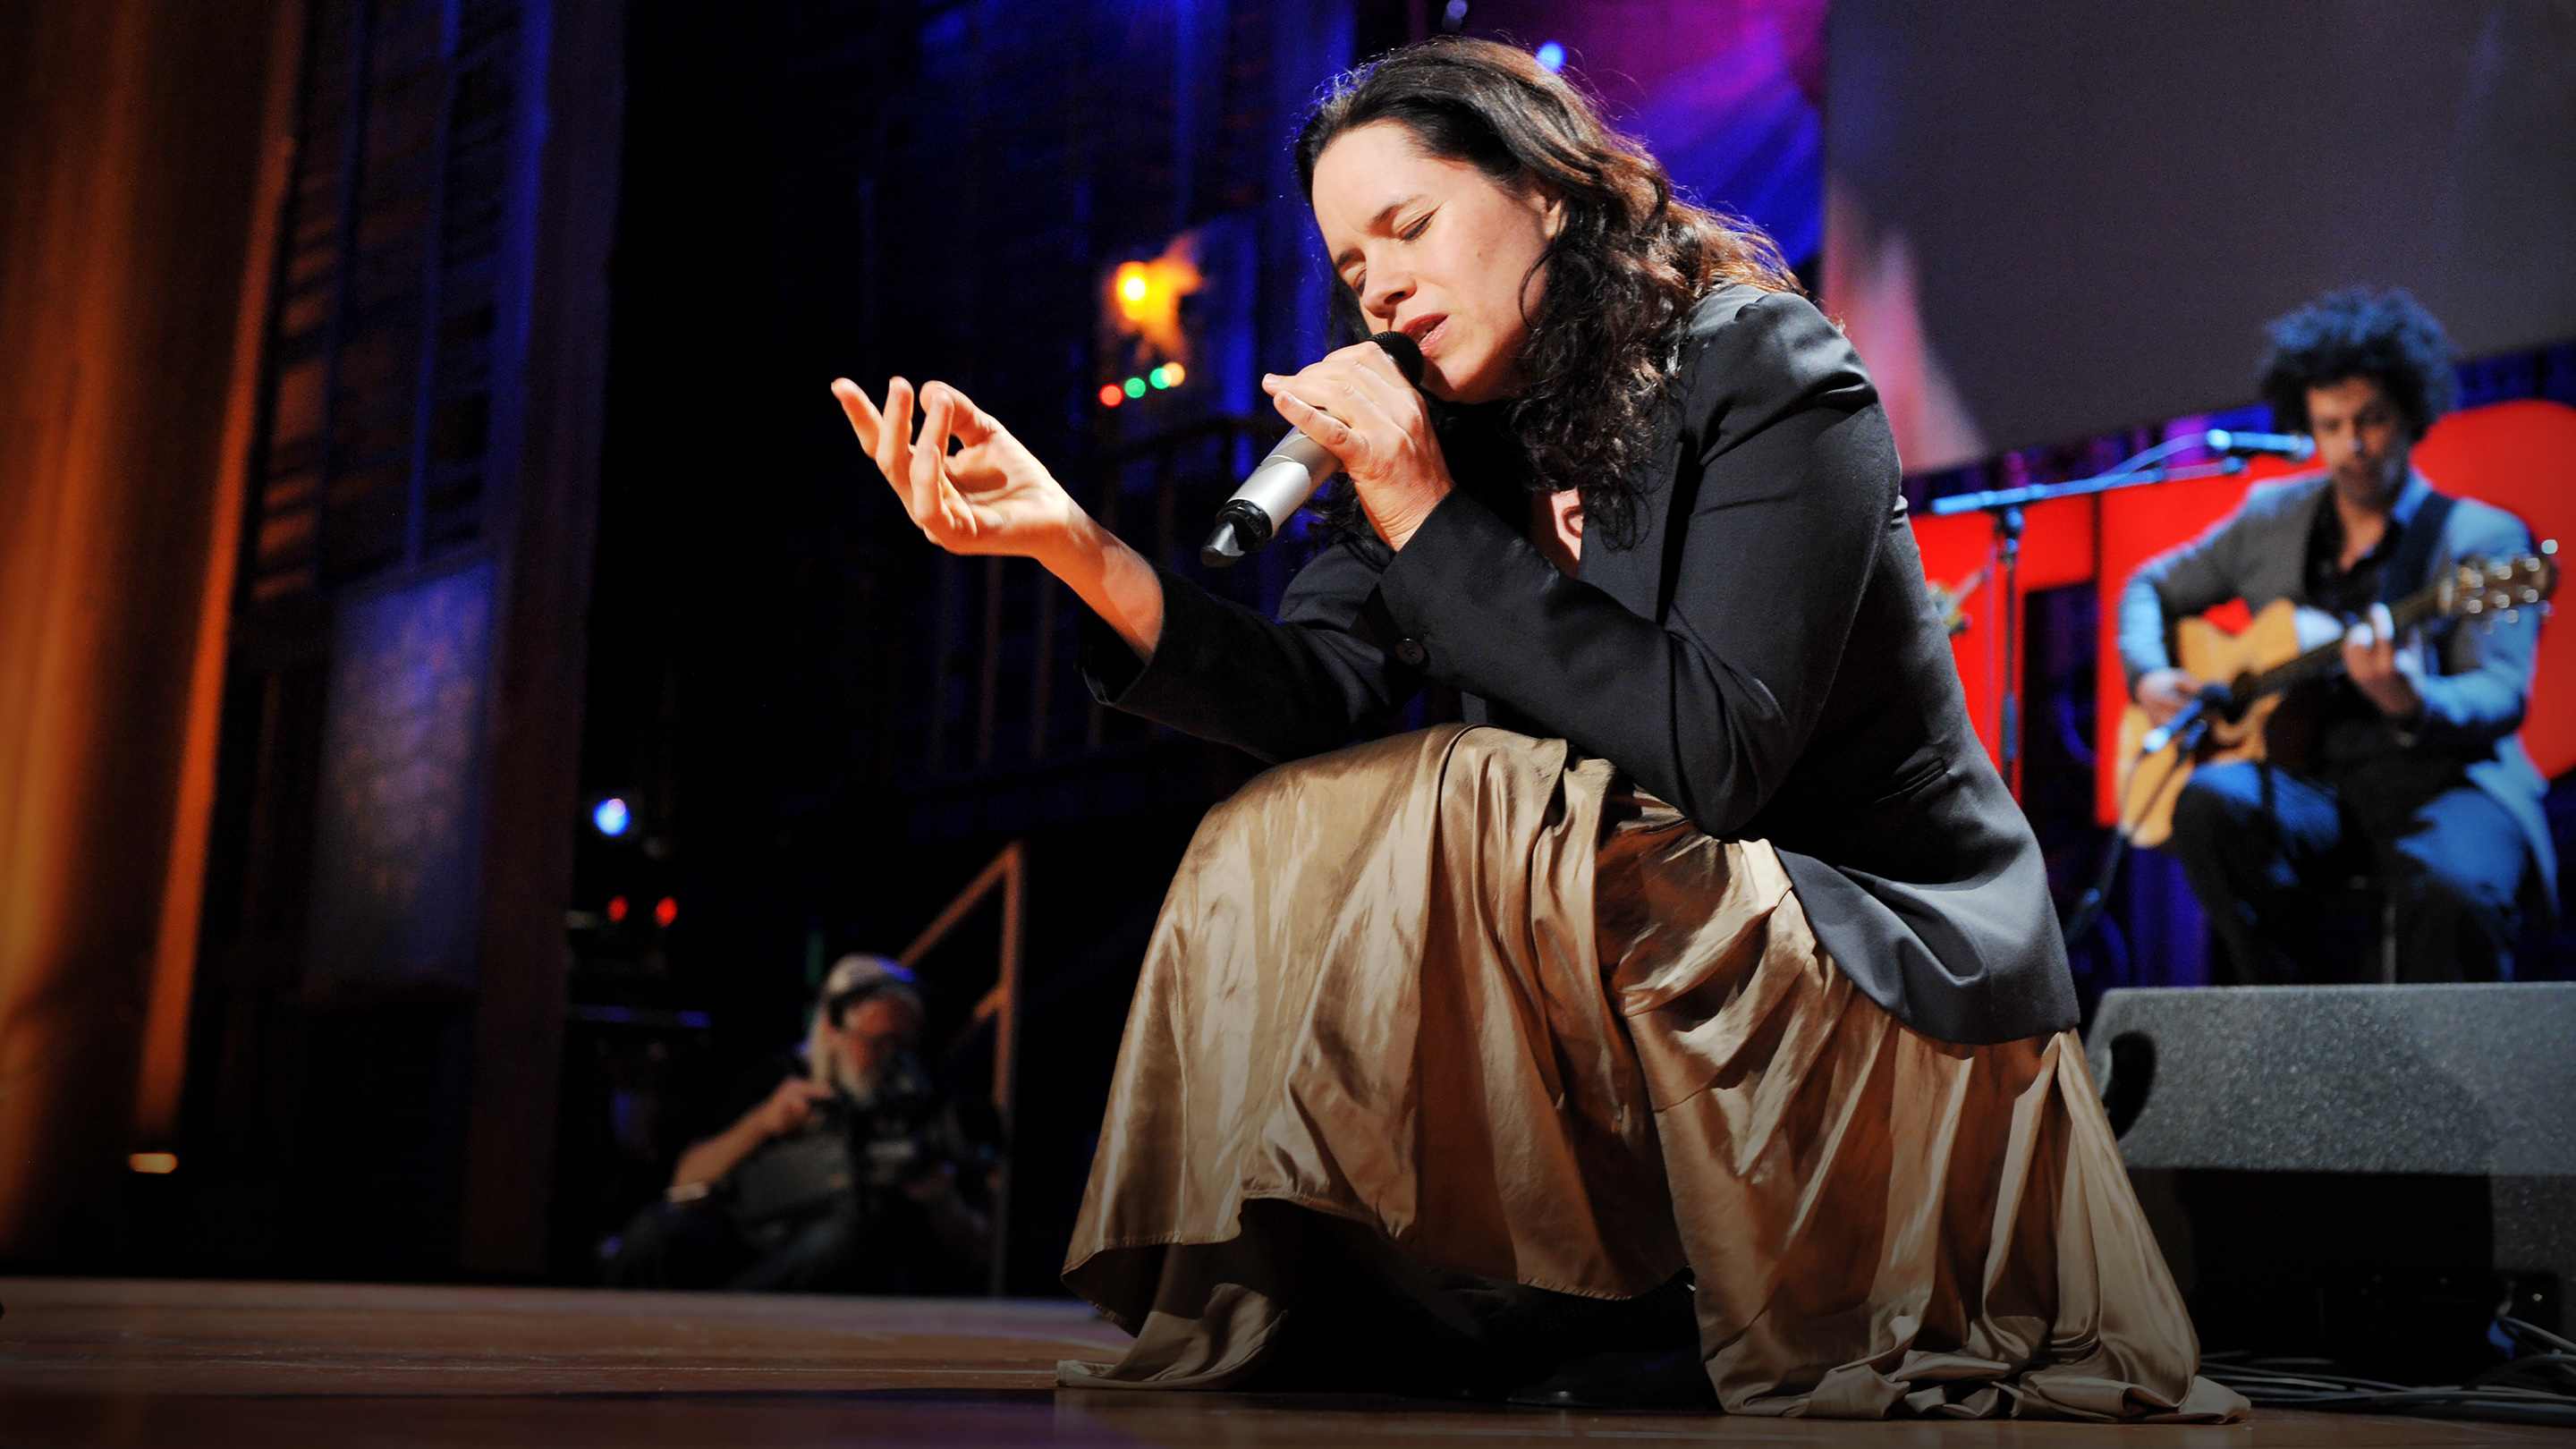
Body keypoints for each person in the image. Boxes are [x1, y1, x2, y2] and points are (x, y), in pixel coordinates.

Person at [834, 38, 2238, 1422]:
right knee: (1278, 821)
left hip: (1871, 949)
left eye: (1408, 227)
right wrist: (1075, 548)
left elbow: (1718, 756)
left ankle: (1666, 1288)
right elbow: (1304, 695)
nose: (1379, 286)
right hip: (1647, 927)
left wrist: (1423, 509)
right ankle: (1475, 1285)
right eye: (1351, 266)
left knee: (1479, 792)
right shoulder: (1461, 438)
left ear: (1549, 195)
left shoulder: (1765, 371)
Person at [2121, 290, 2552, 985]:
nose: (2352, 446)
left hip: (2446, 783)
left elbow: (2501, 691)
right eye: (2331, 425)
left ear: (2410, 415)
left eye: (2372, 420)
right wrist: (2147, 673)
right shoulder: (2273, 517)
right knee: (2209, 804)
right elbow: (2150, 586)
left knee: (2455, 892)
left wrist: (2413, 700)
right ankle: (2292, 1023)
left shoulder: (2483, 538)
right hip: (2314, 785)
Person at [602, 955, 993, 1293]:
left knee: (848, 1241)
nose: (892, 1058)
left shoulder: (922, 1103)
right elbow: (684, 1183)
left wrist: (941, 1200)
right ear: (833, 1030)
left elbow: (975, 1254)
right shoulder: (782, 1080)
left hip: (833, 1268)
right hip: (751, 1249)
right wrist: (763, 1123)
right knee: (656, 1231)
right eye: (880, 1042)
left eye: (905, 1045)